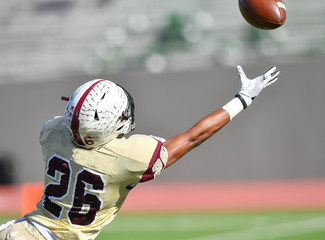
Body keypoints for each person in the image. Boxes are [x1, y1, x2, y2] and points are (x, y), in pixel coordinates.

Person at [0, 65, 279, 239]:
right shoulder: (127, 158)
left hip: (20, 230)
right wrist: (242, 99)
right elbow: (194, 137)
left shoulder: (53, 133)